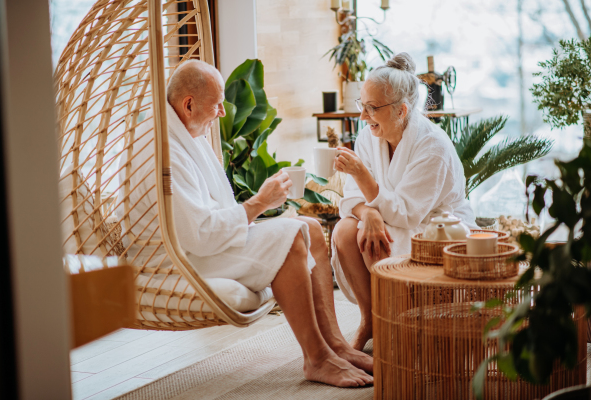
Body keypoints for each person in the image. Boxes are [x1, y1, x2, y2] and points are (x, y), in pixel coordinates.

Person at [115, 60, 373, 387]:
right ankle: (317, 359)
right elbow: (198, 235)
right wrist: (258, 204)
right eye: (217, 104)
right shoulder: (163, 150)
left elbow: (207, 216)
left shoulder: (184, 133)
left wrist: (259, 206)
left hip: (197, 244)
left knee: (308, 227)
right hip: (173, 259)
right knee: (292, 236)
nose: (223, 113)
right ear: (188, 104)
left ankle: (336, 346)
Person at [332, 52, 477, 351]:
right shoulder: (369, 135)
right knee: (344, 230)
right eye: (362, 105)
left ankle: (396, 323)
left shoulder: (432, 145)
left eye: (372, 108)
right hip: (390, 218)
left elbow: (408, 213)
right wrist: (368, 214)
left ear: (401, 111)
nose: (362, 117)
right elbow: (352, 197)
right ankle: (370, 319)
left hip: (439, 229)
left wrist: (363, 180)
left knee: (368, 232)